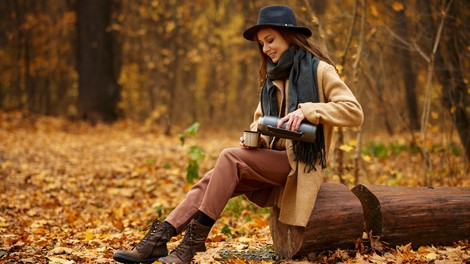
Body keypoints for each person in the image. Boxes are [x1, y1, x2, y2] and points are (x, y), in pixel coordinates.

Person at [113, 5, 363, 264]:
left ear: (288, 36)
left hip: (300, 164)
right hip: (272, 160)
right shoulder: (272, 78)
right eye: (261, 44)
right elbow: (260, 122)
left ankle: (193, 243)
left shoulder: (320, 70)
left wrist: (309, 111)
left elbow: (354, 112)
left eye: (270, 40)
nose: (266, 49)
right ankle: (160, 238)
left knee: (229, 158)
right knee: (211, 179)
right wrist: (256, 138)